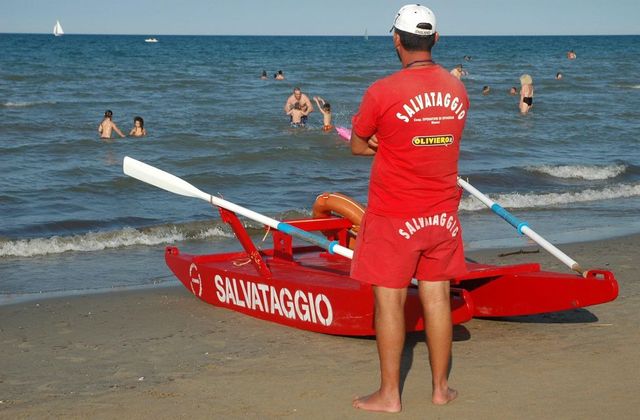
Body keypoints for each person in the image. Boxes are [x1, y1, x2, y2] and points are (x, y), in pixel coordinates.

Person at [349, 4, 468, 413]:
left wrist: (384, 145)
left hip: (394, 215)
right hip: (441, 215)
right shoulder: (457, 90)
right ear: (436, 40)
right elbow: (440, 139)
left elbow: (357, 144)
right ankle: (440, 389)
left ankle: (389, 395)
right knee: (436, 297)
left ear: (396, 39)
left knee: (390, 302)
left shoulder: (382, 91)